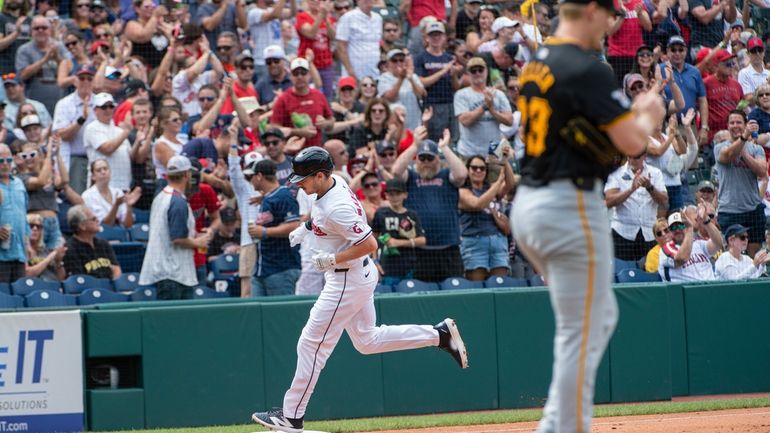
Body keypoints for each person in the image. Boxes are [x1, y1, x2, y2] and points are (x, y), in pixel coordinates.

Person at [510, 0, 665, 432]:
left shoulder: (537, 60)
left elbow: (584, 136)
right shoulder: (587, 67)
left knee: (594, 320)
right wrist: (649, 114)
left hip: (531, 204)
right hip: (567, 205)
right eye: (612, 14)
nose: (614, 24)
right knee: (585, 326)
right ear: (592, 9)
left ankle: (554, 425)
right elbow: (633, 142)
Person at [251, 146, 468, 433]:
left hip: (346, 278)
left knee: (311, 343)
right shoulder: (334, 181)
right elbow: (324, 213)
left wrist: (332, 258)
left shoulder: (337, 205)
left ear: (319, 175)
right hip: (355, 276)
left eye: (302, 178)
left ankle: (291, 417)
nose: (298, 183)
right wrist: (306, 227)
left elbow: (370, 244)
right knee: (367, 341)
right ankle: (438, 335)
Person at [391, 127, 468, 282]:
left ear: (437, 159)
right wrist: (414, 146)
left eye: (430, 158)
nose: (426, 162)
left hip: (448, 248)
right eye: (422, 158)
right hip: (420, 251)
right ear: (416, 159)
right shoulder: (411, 178)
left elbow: (461, 174)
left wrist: (445, 148)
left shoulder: (447, 176)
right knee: (423, 297)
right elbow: (396, 171)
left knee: (455, 293)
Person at [139, 155, 213, 300]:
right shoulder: (177, 201)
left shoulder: (161, 196)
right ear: (187, 174)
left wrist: (195, 235)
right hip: (174, 273)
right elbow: (177, 239)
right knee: (173, 321)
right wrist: (199, 242)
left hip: (167, 270)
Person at [244, 159, 301, 296]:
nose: (250, 180)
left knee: (280, 315)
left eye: (251, 176)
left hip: (281, 269)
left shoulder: (284, 196)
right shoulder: (269, 197)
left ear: (259, 176)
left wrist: (264, 231)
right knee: (258, 315)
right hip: (263, 268)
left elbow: (294, 226)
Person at [715, 111, 768, 258]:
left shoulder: (756, 149)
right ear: (727, 126)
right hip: (730, 210)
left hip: (753, 209)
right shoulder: (720, 147)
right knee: (732, 255)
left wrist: (744, 153)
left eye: (738, 122)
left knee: (755, 256)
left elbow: (761, 171)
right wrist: (743, 139)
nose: (735, 125)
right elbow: (726, 157)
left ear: (745, 125)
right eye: (731, 123)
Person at [458, 155, 514, 281]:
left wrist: (504, 161)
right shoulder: (463, 191)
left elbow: (510, 184)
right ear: (468, 170)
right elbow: (477, 204)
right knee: (477, 287)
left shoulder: (490, 188)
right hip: (475, 242)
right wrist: (498, 182)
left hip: (498, 241)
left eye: (482, 168)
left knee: (500, 285)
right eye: (474, 168)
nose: (478, 171)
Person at [454, 57, 512, 158]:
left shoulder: (498, 94)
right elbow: (465, 121)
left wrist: (492, 110)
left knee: (499, 173)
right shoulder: (461, 94)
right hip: (469, 151)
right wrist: (484, 106)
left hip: (495, 149)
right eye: (473, 71)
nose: (477, 73)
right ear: (468, 73)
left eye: (480, 70)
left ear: (486, 71)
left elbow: (509, 120)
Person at [371, 177, 426, 285]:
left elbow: (422, 240)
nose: (394, 197)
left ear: (405, 195)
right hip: (387, 267)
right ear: (386, 195)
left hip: (410, 266)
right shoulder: (381, 213)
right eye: (391, 194)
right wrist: (375, 262)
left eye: (397, 193)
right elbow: (373, 239)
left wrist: (398, 243)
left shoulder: (412, 215)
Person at [269, 57, 333, 148]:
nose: (299, 77)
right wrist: (298, 132)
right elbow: (274, 128)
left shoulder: (319, 96)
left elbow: (331, 121)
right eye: (296, 73)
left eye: (303, 73)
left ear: (309, 75)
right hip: (292, 152)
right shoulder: (283, 99)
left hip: (316, 150)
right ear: (290, 76)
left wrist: (325, 123)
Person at [84, 92, 133, 191]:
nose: (108, 110)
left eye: (111, 106)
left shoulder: (118, 130)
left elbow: (131, 155)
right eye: (104, 107)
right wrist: (127, 131)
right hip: (102, 187)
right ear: (95, 110)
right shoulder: (92, 128)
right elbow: (108, 149)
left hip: (123, 185)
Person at [658, 210, 722, 282]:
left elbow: (718, 244)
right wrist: (689, 229)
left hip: (711, 288)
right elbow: (682, 258)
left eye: (681, 225)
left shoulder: (698, 244)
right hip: (684, 291)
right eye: (673, 227)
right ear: (669, 231)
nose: (677, 230)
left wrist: (706, 221)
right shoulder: (666, 249)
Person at [63, 204, 122, 279]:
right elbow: (80, 279)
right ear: (82, 226)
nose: (97, 221)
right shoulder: (70, 249)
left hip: (109, 288)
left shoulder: (103, 244)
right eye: (93, 219)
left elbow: (116, 269)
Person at [0, 143, 30, 283]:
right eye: (1, 161)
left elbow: (23, 216)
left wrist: (27, 246)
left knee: (19, 294)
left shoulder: (19, 183)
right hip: (1, 256)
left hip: (19, 253)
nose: (5, 164)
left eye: (8, 160)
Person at [82, 159, 141, 226]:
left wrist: (129, 207)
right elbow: (105, 225)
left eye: (105, 169)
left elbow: (128, 225)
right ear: (93, 176)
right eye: (99, 170)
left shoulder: (118, 192)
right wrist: (116, 205)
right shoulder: (87, 196)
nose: (103, 172)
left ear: (110, 172)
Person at [378, 48, 426, 131]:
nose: (398, 63)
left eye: (401, 60)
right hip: (394, 126)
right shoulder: (384, 78)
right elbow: (390, 97)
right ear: (388, 63)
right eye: (394, 60)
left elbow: (421, 95)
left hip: (414, 123)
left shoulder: (413, 76)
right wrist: (401, 79)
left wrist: (411, 79)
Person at [335, 0, 382, 81]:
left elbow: (377, 44)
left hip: (374, 73)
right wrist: (350, 71)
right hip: (354, 73)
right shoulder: (347, 17)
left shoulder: (378, 18)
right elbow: (341, 47)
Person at [25, 213, 67, 281]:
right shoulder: (22, 250)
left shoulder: (44, 250)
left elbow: (60, 278)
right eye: (31, 226)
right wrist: (50, 257)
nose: (35, 229)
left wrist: (59, 261)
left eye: (38, 227)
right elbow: (28, 273)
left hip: (51, 287)